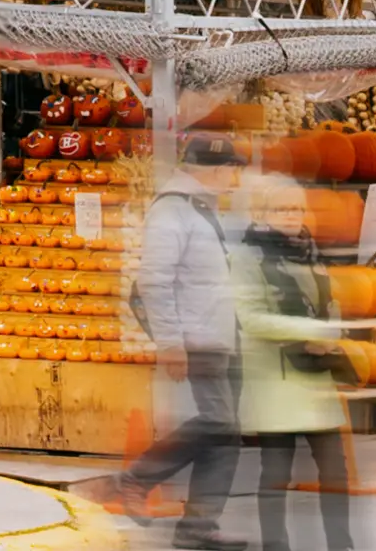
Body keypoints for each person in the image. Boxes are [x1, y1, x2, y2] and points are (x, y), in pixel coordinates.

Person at [108, 138, 249, 548]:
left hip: (221, 335)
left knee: (226, 432)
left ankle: (198, 527)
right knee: (219, 422)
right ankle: (137, 478)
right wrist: (170, 343)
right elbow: (154, 281)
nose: (234, 176)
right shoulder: (171, 210)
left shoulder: (200, 209)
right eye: (230, 168)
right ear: (211, 168)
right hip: (196, 338)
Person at [238, 172, 356, 551]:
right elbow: (251, 318)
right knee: (276, 474)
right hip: (275, 379)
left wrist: (331, 331)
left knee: (336, 471)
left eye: (296, 207)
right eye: (282, 208)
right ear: (263, 211)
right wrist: (310, 331)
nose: (291, 214)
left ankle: (342, 545)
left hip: (316, 380)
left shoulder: (309, 251)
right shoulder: (247, 256)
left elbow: (328, 301)